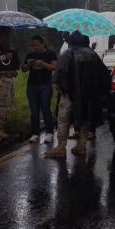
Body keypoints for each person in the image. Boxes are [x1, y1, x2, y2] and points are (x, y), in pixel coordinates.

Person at [45, 31, 110, 159]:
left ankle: (61, 147)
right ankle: (81, 145)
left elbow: (59, 74)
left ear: (70, 41)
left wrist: (60, 88)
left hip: (69, 93)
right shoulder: (93, 54)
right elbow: (104, 75)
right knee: (85, 117)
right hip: (88, 94)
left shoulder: (67, 53)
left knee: (63, 119)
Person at [21, 35, 58, 144]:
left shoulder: (50, 54)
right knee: (34, 111)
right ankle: (35, 133)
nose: (35, 47)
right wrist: (28, 64)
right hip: (31, 85)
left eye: (37, 45)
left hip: (45, 85)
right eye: (33, 45)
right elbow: (23, 69)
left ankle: (49, 132)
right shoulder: (30, 55)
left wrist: (43, 64)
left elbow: (54, 67)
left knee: (45, 109)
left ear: (43, 44)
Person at [0, 29, 19, 140]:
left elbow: (16, 65)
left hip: (11, 79)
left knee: (10, 103)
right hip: (0, 79)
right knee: (2, 104)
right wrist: (3, 57)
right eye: (2, 35)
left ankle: (6, 126)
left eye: (6, 35)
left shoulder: (11, 51)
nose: (4, 38)